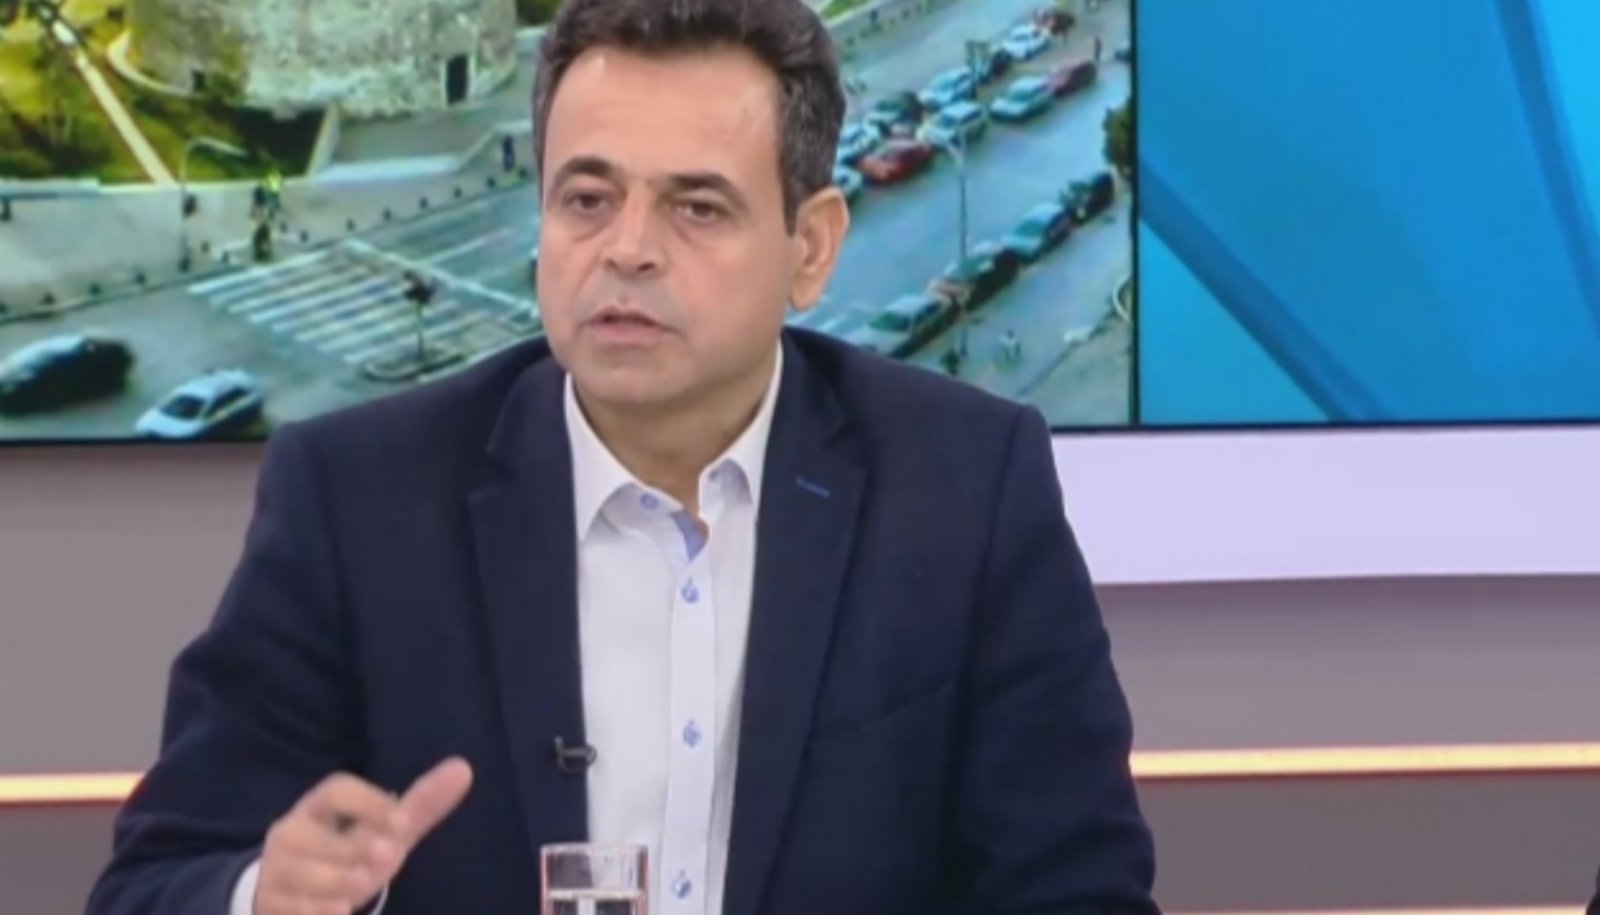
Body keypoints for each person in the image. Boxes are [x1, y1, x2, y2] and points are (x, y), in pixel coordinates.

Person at [87, 1, 1158, 914]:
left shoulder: (966, 487)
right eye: (588, 200)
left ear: (811, 247)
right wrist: (265, 898)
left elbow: (1079, 891)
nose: (629, 249)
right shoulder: (357, 500)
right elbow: (154, 881)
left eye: (697, 207)